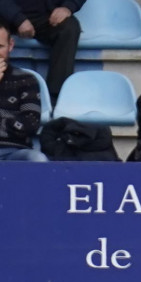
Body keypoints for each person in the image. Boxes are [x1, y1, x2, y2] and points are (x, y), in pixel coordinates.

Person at [0, 0, 82, 103]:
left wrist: (68, 7)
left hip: (48, 16)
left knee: (69, 28)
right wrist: (18, 18)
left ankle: (55, 99)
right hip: (6, 14)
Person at [0, 19, 45, 161]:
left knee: (37, 159)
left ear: (10, 45)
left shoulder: (26, 79)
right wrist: (9, 123)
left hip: (14, 152)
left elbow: (31, 124)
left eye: (0, 46)